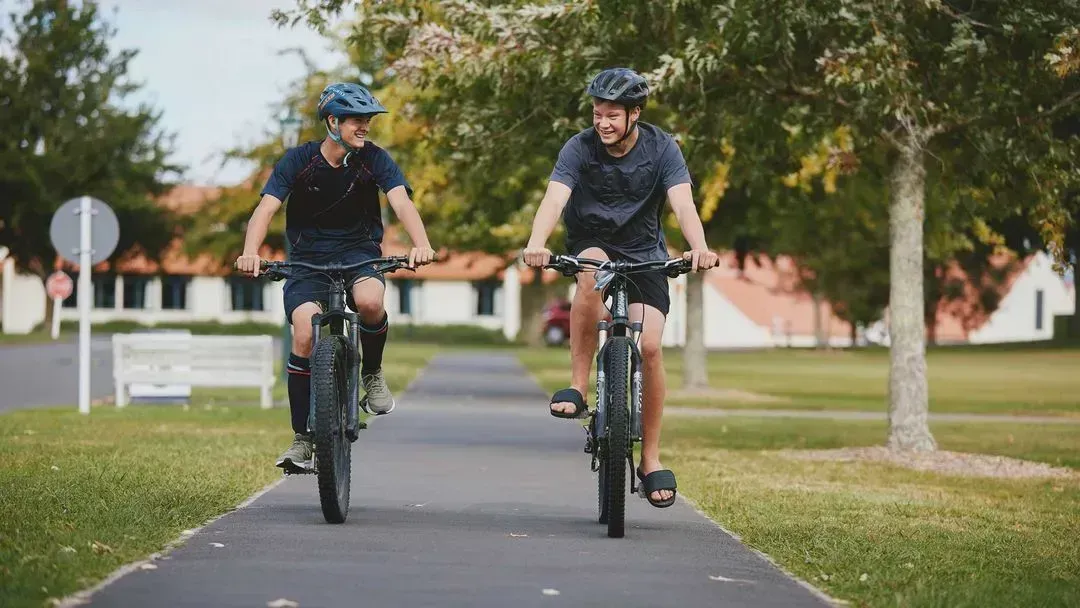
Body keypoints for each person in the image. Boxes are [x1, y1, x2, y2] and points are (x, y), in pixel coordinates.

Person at [522, 67, 720, 508]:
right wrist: (537, 243)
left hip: (645, 251)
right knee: (592, 270)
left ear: (635, 113)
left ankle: (650, 459)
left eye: (612, 115)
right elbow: (554, 198)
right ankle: (577, 385)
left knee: (649, 346)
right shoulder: (579, 147)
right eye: (597, 114)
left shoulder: (662, 147)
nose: (603, 123)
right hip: (592, 242)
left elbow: (682, 202)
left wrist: (699, 247)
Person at [236, 82, 436, 473]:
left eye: (367, 120)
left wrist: (421, 244)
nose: (365, 127)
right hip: (307, 260)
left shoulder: (374, 159)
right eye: (357, 120)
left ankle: (372, 373)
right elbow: (265, 209)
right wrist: (250, 252)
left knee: (370, 303)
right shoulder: (298, 161)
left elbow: (400, 201)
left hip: (359, 253)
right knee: (305, 334)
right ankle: (301, 438)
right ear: (332, 121)